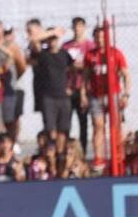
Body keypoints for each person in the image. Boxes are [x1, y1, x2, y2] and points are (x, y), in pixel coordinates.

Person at [83, 26, 130, 171]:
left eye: (103, 37)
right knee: (98, 125)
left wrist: (126, 94)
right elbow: (86, 76)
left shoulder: (116, 53)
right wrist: (84, 94)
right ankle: (99, 158)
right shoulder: (90, 55)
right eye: (97, 37)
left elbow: (125, 75)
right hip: (96, 95)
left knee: (116, 125)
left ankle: (118, 155)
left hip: (113, 94)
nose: (100, 40)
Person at [29, 27, 73, 161]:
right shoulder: (43, 54)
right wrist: (52, 32)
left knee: (63, 130)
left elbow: (73, 70)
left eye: (54, 38)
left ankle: (60, 156)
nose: (52, 41)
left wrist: (70, 86)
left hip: (63, 97)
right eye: (50, 39)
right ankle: (50, 156)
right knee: (50, 129)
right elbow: (33, 39)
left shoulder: (64, 54)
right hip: (48, 97)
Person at [63, 17, 93, 151]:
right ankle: (66, 151)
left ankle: (84, 152)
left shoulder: (90, 46)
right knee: (66, 124)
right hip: (69, 89)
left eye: (80, 26)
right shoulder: (66, 46)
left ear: (84, 28)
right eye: (75, 26)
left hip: (83, 89)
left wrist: (82, 67)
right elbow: (61, 67)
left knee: (83, 123)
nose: (77, 29)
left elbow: (92, 66)